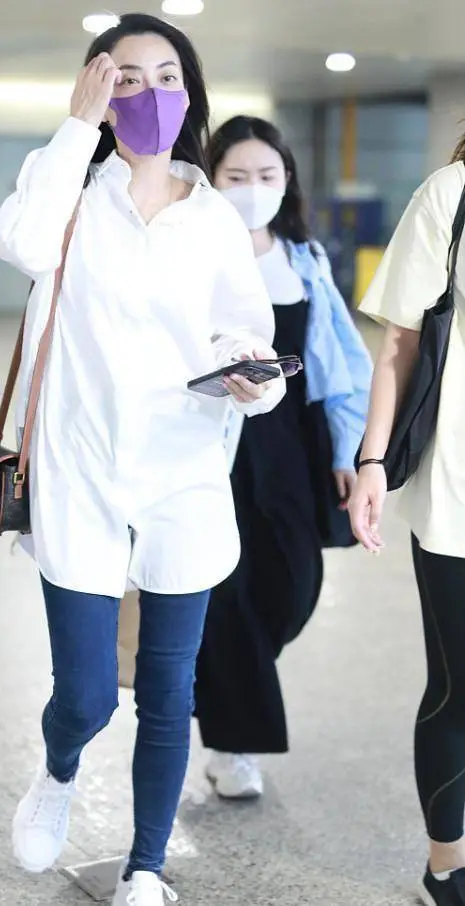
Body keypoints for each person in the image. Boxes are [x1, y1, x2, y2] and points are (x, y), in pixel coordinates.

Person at [0, 13, 285, 906]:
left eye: (164, 77)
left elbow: (242, 328)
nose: (147, 94)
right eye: (124, 79)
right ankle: (59, 768)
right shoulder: (68, 188)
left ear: (189, 92)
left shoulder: (213, 217)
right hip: (78, 467)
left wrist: (249, 373)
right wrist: (76, 129)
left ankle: (145, 866)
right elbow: (20, 246)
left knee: (166, 688)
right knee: (85, 693)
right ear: (96, 90)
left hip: (182, 472)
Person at [194, 116, 372, 799]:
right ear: (210, 180)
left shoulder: (303, 257)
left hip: (292, 444)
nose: (251, 189)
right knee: (230, 588)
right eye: (235, 176)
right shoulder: (192, 253)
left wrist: (349, 449)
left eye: (265, 175)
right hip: (217, 444)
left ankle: (219, 684)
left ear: (286, 181)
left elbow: (340, 361)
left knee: (294, 583)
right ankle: (234, 744)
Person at [349, 139, 465, 906]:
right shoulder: (449, 195)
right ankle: (446, 864)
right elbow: (400, 343)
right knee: (459, 688)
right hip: (458, 488)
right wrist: (371, 461)